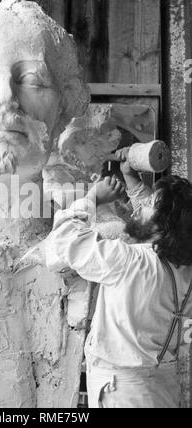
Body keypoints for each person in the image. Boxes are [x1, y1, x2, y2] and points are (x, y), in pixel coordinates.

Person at [46, 147, 192, 408]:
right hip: (161, 385)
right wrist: (132, 181)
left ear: (162, 224)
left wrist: (92, 198)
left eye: (147, 204)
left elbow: (64, 241)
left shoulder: (129, 261)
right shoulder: (183, 265)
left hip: (123, 392)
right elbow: (157, 220)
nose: (141, 205)